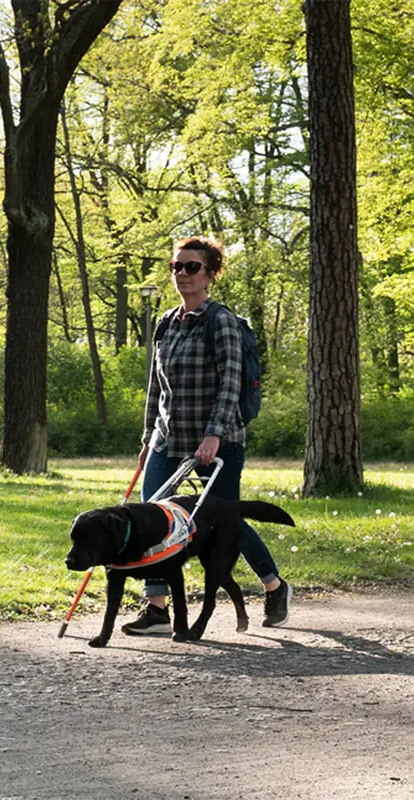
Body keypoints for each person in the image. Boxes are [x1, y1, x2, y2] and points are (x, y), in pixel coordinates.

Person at [121, 236, 292, 636]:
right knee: (154, 519)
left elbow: (231, 384)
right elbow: (155, 388)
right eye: (176, 267)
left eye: (191, 267)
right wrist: (148, 439)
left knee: (224, 520)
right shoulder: (166, 323)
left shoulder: (223, 322)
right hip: (169, 439)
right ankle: (157, 609)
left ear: (211, 273)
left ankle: (274, 585)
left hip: (218, 442)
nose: (182, 274)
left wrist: (214, 434)